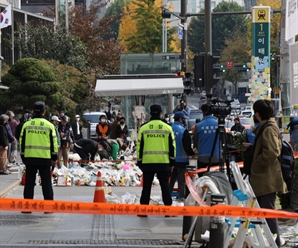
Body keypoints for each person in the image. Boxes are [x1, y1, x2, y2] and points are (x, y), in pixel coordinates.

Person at [251, 99, 287, 247]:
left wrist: (258, 160)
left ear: (258, 114)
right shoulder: (267, 127)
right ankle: (269, 242)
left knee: (268, 212)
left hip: (266, 178)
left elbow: (272, 152)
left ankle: (275, 243)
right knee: (265, 212)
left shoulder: (268, 129)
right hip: (264, 177)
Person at [137, 104, 176, 214]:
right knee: (165, 186)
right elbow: (173, 146)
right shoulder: (167, 127)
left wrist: (139, 161)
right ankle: (168, 210)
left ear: (150, 113)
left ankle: (143, 210)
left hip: (147, 162)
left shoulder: (144, 128)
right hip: (163, 162)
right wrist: (172, 161)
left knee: (146, 186)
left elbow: (139, 146)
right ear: (161, 113)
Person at [19, 101, 58, 204]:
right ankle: (48, 206)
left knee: (29, 183)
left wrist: (23, 156)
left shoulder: (26, 125)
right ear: (44, 112)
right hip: (45, 159)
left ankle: (27, 206)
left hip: (30, 158)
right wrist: (54, 158)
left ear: (33, 111)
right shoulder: (49, 126)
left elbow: (21, 142)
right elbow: (54, 143)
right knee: (46, 183)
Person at [169, 112, 194, 200]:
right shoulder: (183, 131)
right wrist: (192, 153)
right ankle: (182, 197)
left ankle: (167, 197)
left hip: (170, 160)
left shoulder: (169, 129)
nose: (185, 121)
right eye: (184, 119)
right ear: (180, 119)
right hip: (182, 160)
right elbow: (187, 146)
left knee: (170, 180)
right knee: (182, 181)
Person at [193, 104, 220, 171]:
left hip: (202, 158)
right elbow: (223, 139)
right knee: (216, 179)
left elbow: (195, 140)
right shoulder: (219, 124)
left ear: (203, 112)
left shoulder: (198, 126)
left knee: (203, 179)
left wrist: (198, 148)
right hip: (216, 157)